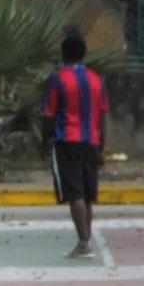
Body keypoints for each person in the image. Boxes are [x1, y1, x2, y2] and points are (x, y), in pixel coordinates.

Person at [45, 29, 107, 259]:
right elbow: (102, 117)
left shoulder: (58, 79)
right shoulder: (97, 80)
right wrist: (101, 148)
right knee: (88, 194)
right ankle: (86, 239)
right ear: (84, 54)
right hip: (91, 141)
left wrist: (45, 142)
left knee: (75, 193)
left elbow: (49, 114)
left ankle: (83, 244)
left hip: (67, 142)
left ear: (63, 54)